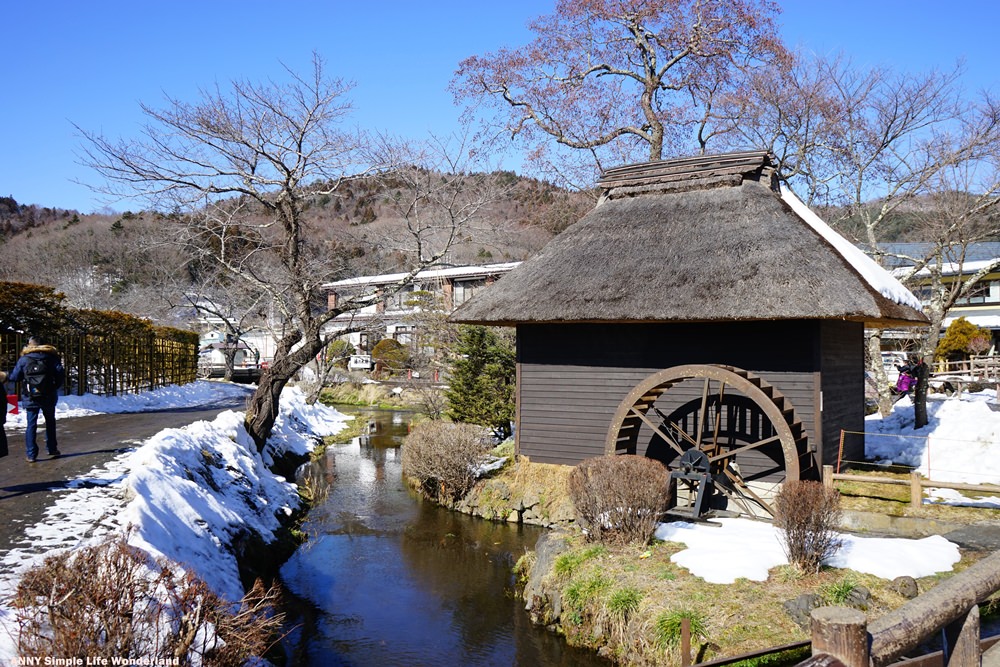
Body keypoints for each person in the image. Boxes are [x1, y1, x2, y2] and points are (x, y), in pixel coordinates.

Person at [8, 336, 65, 462]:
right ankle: (52, 449)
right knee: (50, 421)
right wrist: (54, 387)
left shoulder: (24, 359)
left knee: (31, 424)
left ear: (29, 345)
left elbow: (15, 377)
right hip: (48, 395)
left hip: (30, 396)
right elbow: (60, 374)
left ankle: (31, 454)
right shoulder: (51, 357)